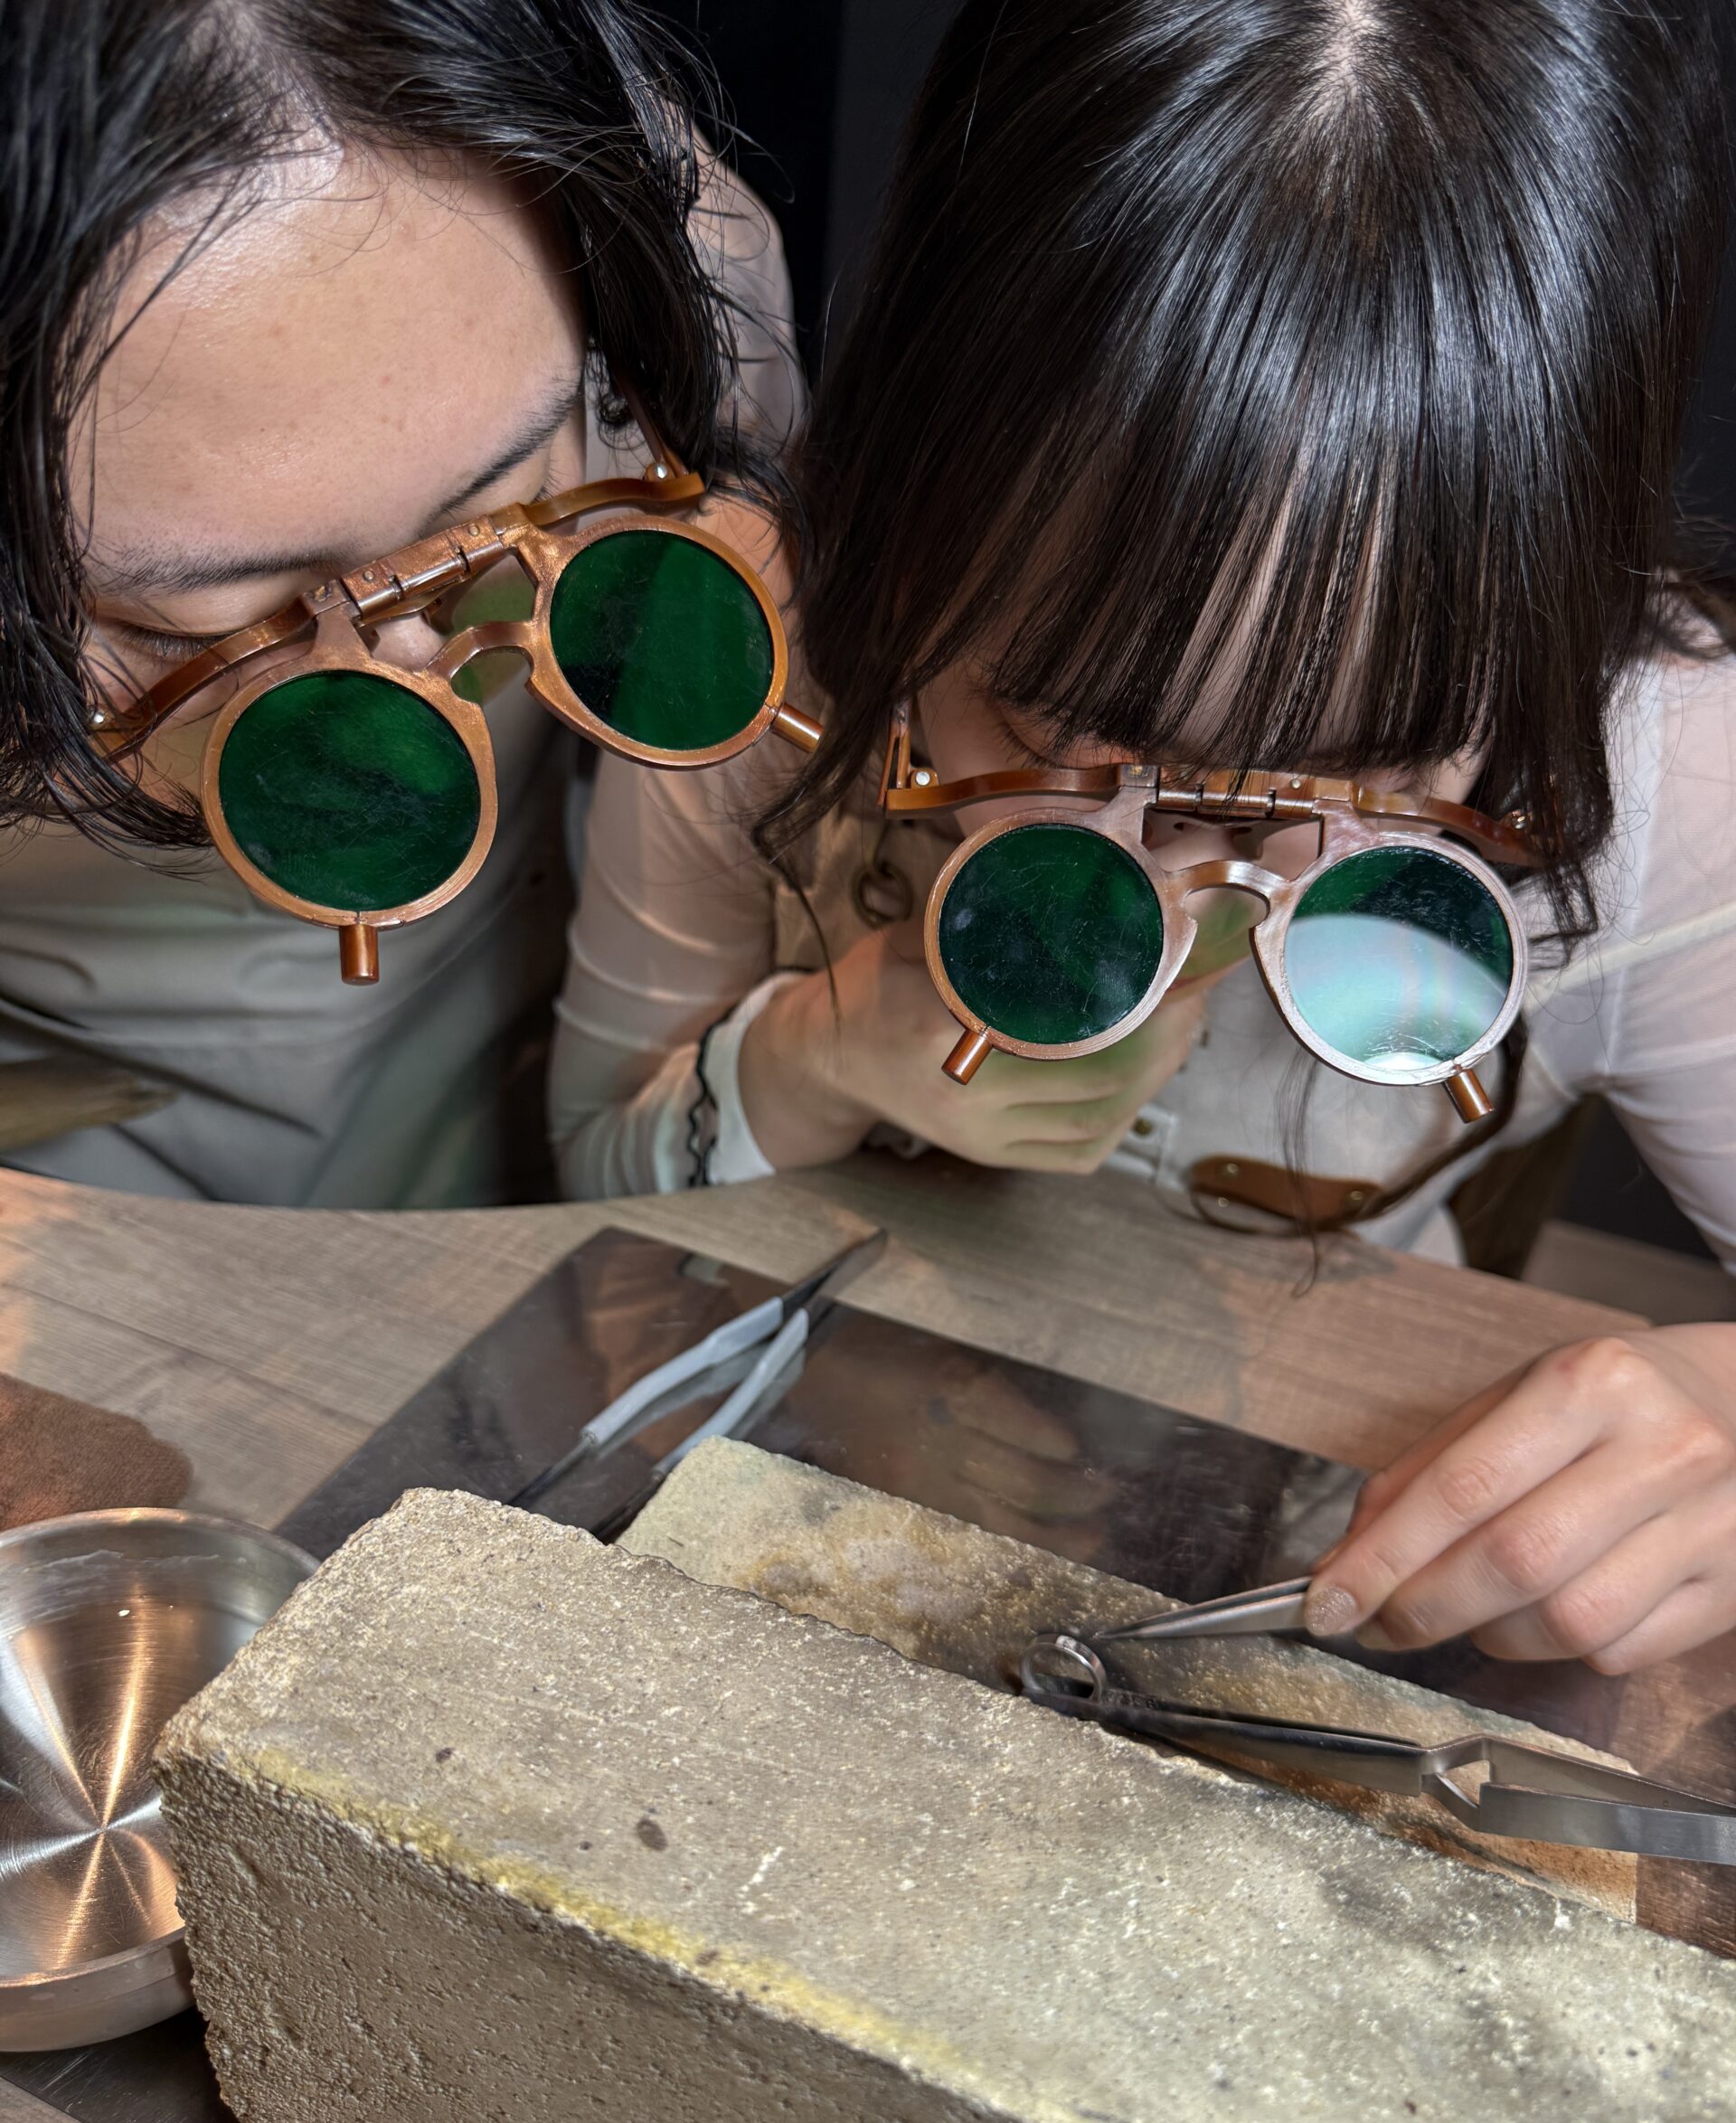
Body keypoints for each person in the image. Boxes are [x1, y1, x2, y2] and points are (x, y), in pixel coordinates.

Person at [554, 0, 1736, 1674]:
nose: (1191, 882)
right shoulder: (749, 648)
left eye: (1368, 772)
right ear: (904, 517)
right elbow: (583, 1181)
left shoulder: (1665, 769)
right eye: (1061, 737)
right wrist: (817, 1050)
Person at [0, 0, 800, 1205]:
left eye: (499, 505)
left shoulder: (688, 269)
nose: (413, 669)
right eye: (189, 621)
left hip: (531, 1098)